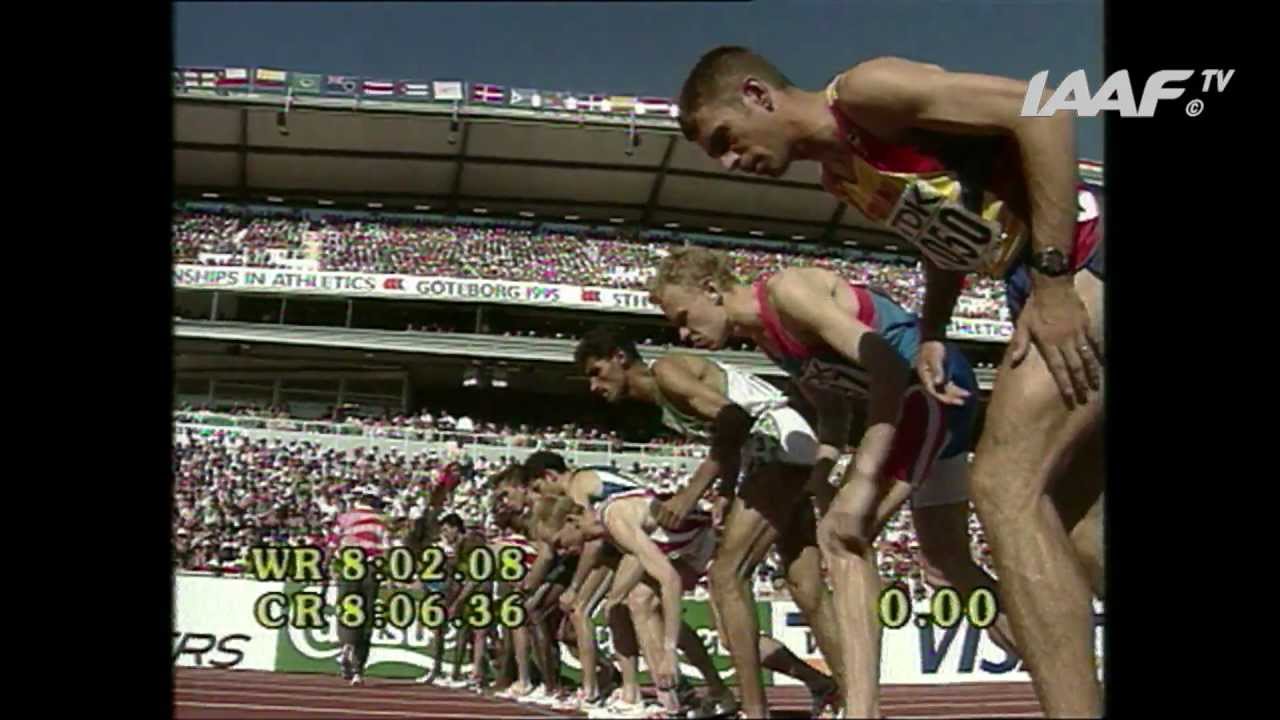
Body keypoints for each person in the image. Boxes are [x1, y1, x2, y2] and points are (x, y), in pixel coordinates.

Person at [674, 47, 1105, 716]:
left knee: (1004, 486)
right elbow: (946, 238)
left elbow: (1043, 108)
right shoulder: (841, 179)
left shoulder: (866, 95)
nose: (731, 162)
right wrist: (935, 328)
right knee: (1076, 530)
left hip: (1082, 254)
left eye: (726, 140)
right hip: (1036, 278)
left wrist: (1050, 282)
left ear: (758, 95)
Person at [647, 250, 1019, 717]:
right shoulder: (768, 340)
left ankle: (862, 710)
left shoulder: (786, 293)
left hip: (926, 387)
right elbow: (833, 410)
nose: (683, 335)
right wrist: (823, 474)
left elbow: (886, 364)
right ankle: (1057, 667)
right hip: (922, 401)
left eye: (683, 318)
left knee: (842, 536)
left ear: (710, 289)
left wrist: (863, 475)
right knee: (946, 564)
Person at [574, 327, 843, 717]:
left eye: (597, 372)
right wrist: (728, 488)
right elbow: (728, 432)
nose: (594, 386)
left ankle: (754, 711)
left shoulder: (665, 371)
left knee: (727, 578)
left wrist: (692, 493)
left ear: (620, 356)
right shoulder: (664, 401)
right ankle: (851, 698)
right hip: (789, 443)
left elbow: (735, 419)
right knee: (806, 583)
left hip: (774, 440)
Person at [511, 450, 838, 718]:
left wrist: (668, 650)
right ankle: (689, 695)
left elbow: (665, 577)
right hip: (681, 541)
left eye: (563, 544)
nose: (566, 552)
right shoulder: (607, 515)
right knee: (639, 601)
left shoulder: (589, 495)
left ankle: (815, 683)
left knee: (729, 636)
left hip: (703, 541)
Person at [329, 484, 391, 687]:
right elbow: (386, 550)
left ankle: (347, 645)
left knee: (347, 611)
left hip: (348, 567)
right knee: (367, 617)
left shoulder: (344, 517)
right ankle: (359, 669)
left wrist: (332, 567)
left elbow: (333, 545)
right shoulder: (382, 521)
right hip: (370, 570)